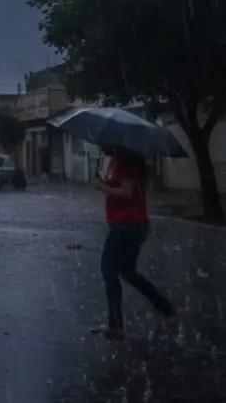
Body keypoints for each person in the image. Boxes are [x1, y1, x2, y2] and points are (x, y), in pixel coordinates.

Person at [92, 145, 176, 339]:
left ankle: (116, 324)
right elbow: (117, 188)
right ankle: (167, 309)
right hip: (125, 224)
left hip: (127, 226)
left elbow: (127, 192)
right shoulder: (116, 162)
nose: (101, 146)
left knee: (109, 269)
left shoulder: (127, 162)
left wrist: (102, 187)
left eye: (104, 142)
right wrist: (103, 184)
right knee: (128, 273)